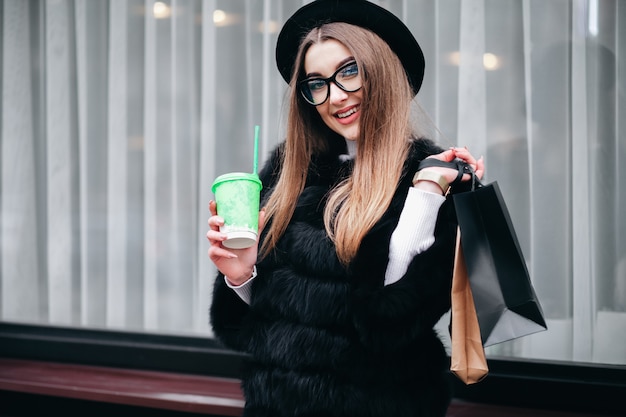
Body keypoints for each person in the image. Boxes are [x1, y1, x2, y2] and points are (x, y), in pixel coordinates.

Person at [207, 1, 485, 416]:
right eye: (316, 83)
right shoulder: (286, 171)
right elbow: (246, 331)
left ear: (382, 70)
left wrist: (426, 191)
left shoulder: (432, 174)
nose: (335, 96)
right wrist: (241, 275)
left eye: (349, 71)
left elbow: (388, 325)